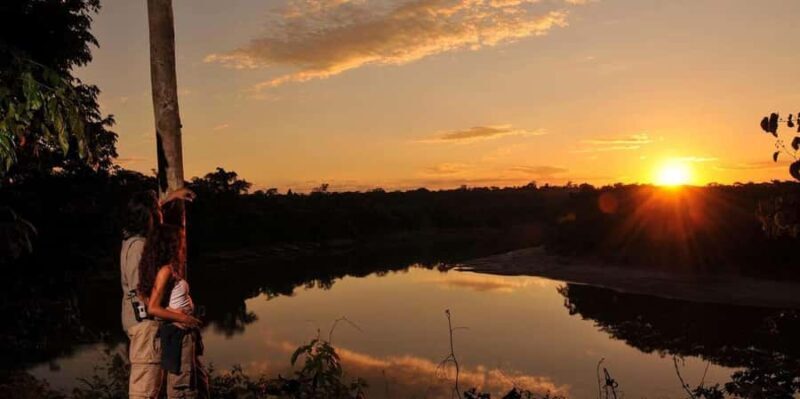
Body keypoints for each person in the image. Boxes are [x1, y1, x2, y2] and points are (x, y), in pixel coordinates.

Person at [121, 188, 194, 399]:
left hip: (147, 326)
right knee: (144, 392)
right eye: (157, 213)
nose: (161, 217)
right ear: (148, 218)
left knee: (156, 388)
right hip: (144, 327)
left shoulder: (131, 238)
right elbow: (141, 292)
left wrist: (169, 197)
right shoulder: (138, 247)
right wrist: (175, 313)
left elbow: (145, 209)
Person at [138, 223, 207, 399]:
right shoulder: (165, 271)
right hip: (179, 332)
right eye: (177, 240)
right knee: (182, 388)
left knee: (196, 382)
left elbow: (145, 298)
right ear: (169, 244)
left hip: (184, 332)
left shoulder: (165, 267)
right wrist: (184, 319)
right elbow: (152, 307)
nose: (180, 243)